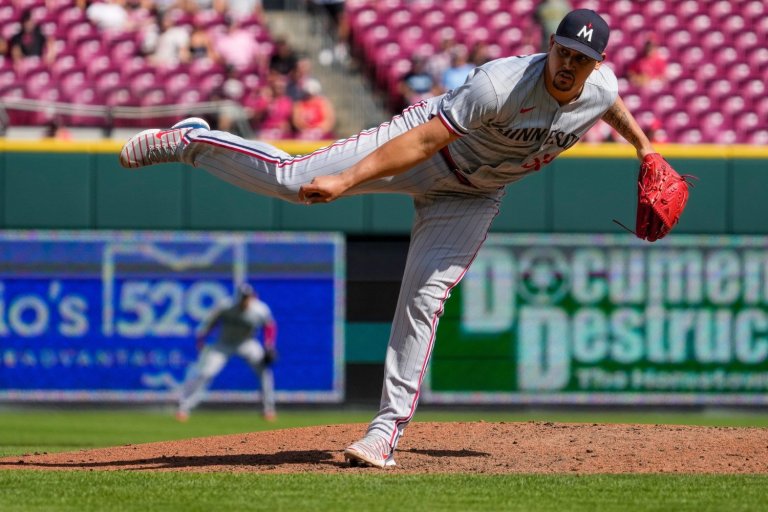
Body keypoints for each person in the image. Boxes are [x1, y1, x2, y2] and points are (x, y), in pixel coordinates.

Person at [120, 9, 663, 468]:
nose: (570, 64)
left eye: (582, 58)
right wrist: (347, 179)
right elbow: (425, 138)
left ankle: (384, 434)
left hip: (473, 195)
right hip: (423, 151)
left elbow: (609, 106)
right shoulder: (502, 82)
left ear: (598, 65)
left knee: (424, 302)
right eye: (564, 51)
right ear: (551, 46)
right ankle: (192, 140)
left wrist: (645, 148)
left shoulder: (601, 88)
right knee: (296, 180)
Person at [175, 283, 278, 422]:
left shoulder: (259, 309)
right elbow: (210, 322)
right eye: (243, 297)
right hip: (224, 343)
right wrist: (202, 339)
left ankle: (268, 409)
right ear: (237, 297)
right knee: (206, 373)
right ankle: (184, 407)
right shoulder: (226, 306)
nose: (245, 300)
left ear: (252, 297)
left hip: (247, 343)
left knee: (264, 372)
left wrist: (269, 345)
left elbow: (269, 326)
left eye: (247, 297)